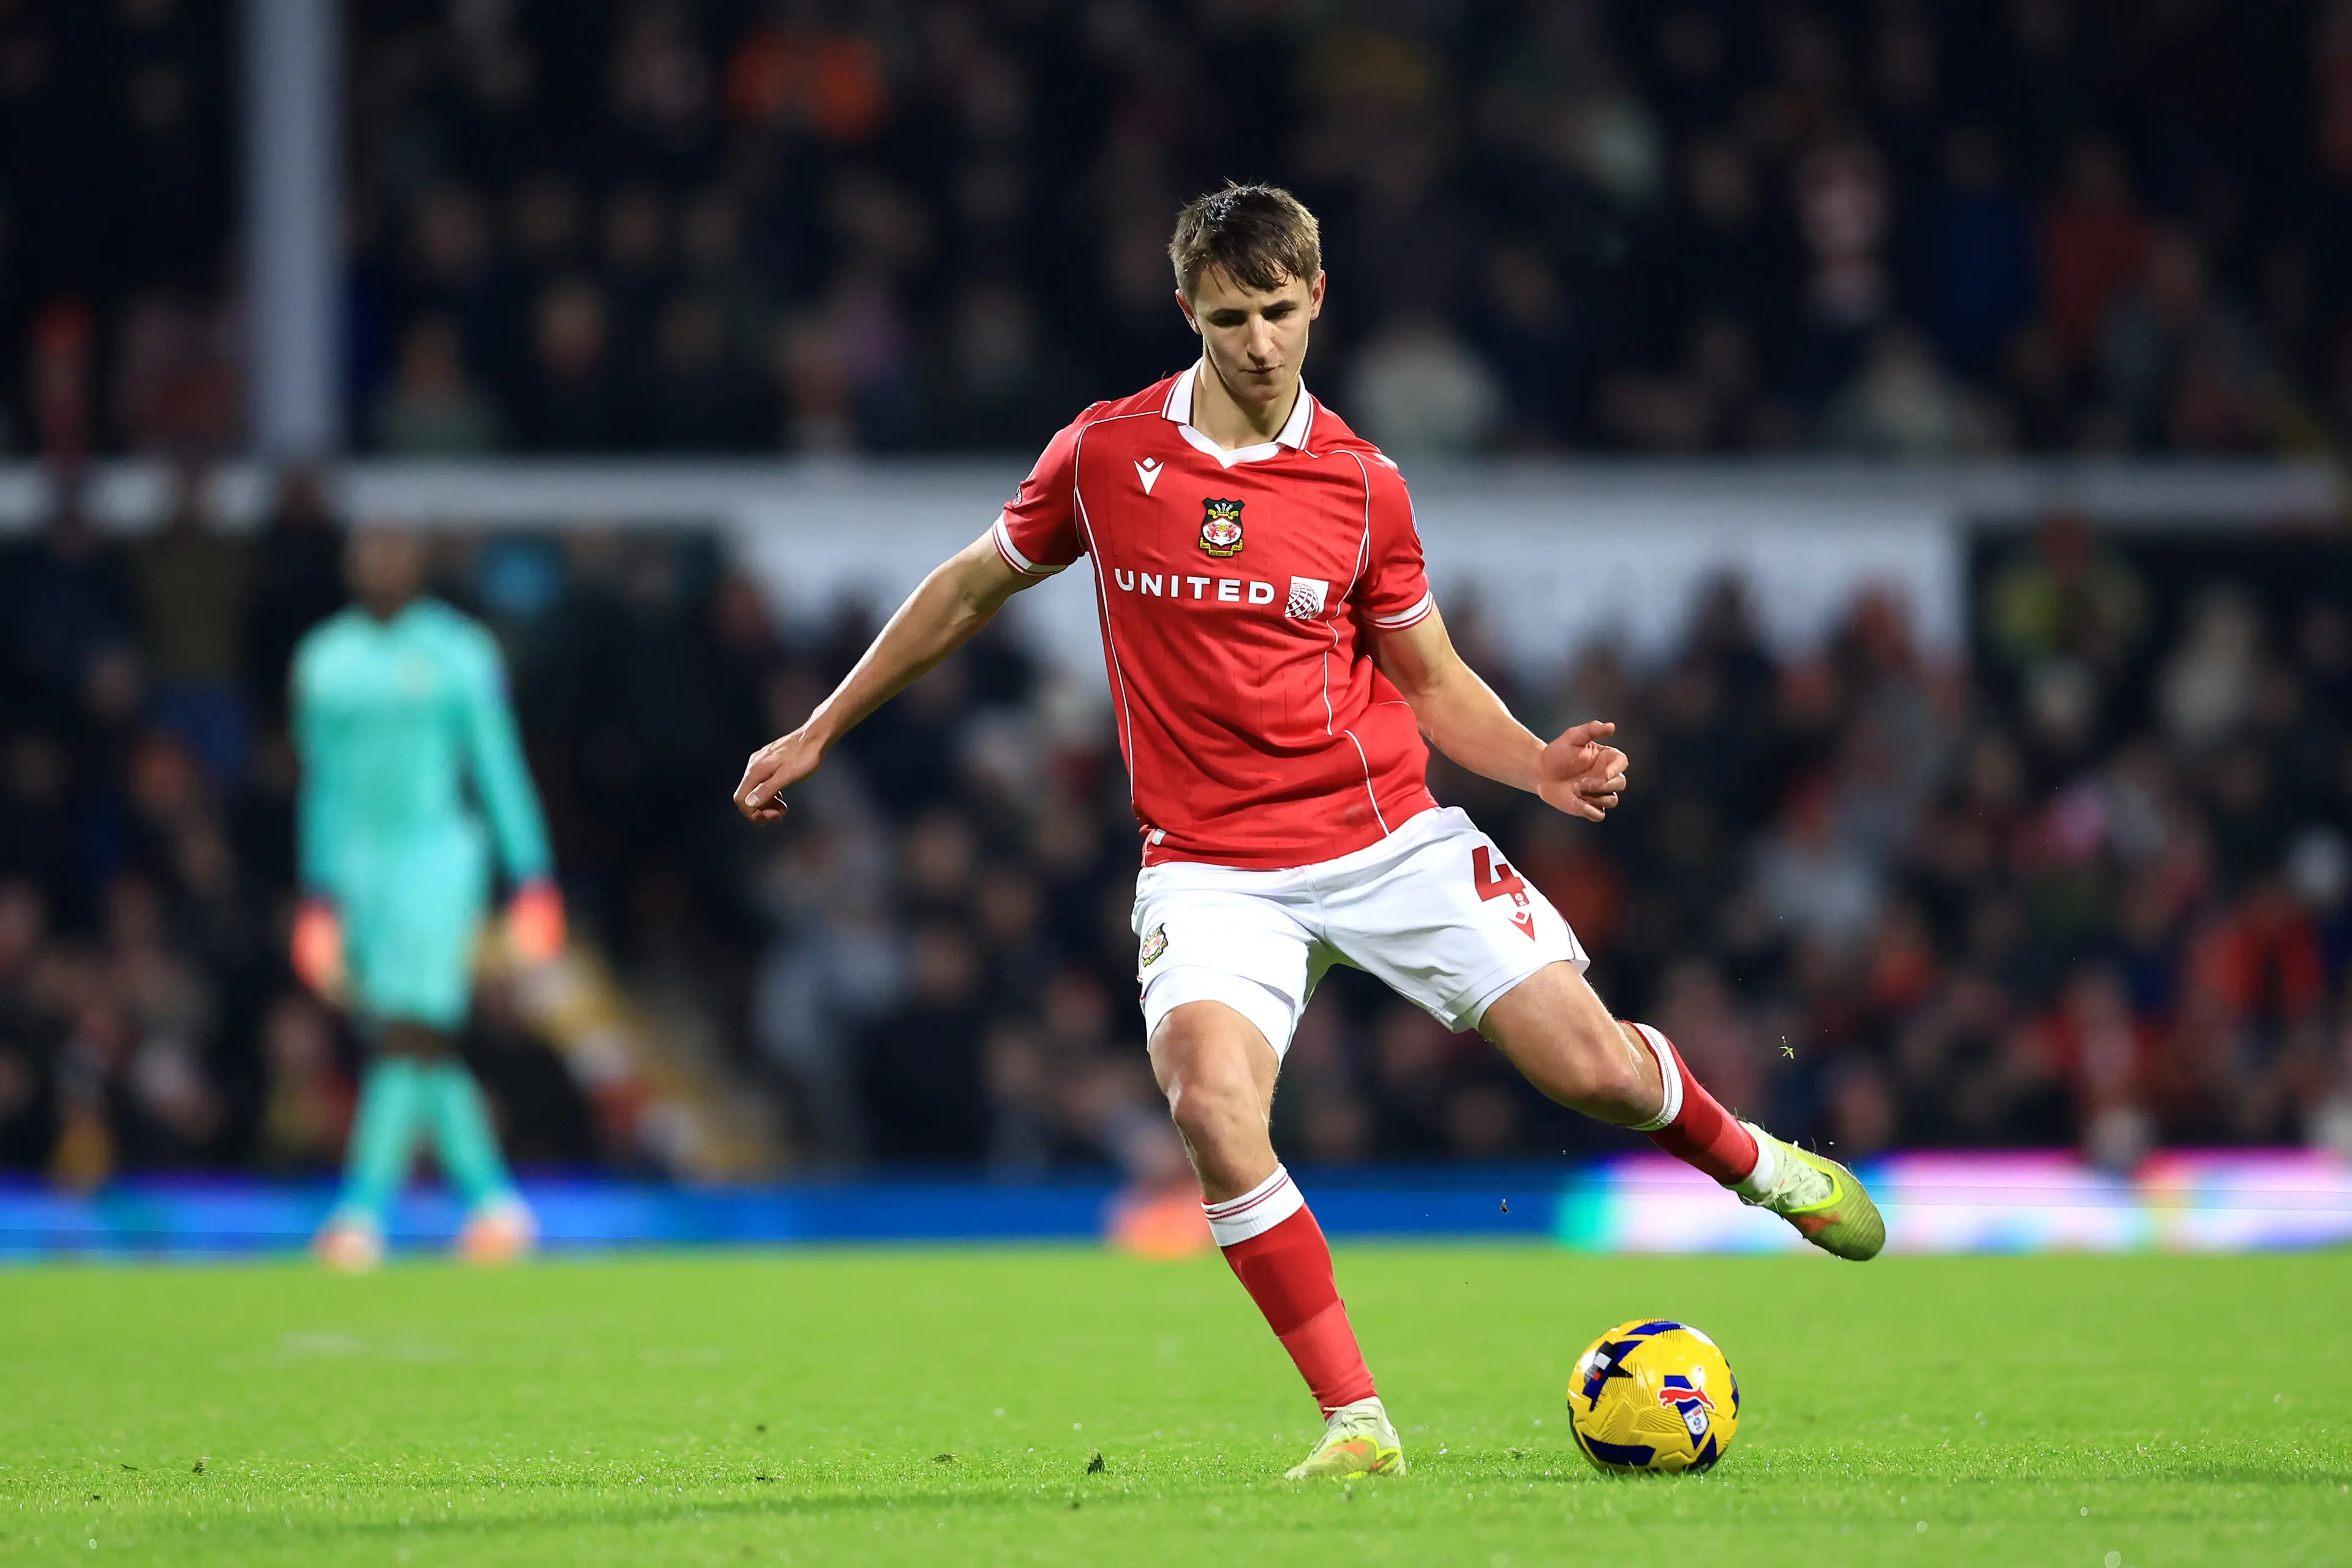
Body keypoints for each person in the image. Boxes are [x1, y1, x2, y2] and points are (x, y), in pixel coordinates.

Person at [733, 184, 1883, 1480]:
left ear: (1318, 297)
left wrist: (1533, 762)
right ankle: (1357, 1422)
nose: (1260, 341)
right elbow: (966, 588)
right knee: (1211, 1108)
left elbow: (1430, 677)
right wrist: (820, 729)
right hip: (1211, 868)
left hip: (1383, 838)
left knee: (1597, 1073)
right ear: (1187, 307)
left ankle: (1764, 1167)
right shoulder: (1105, 455)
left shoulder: (1361, 484)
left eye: (1280, 310)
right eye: (1230, 316)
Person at [296, 530, 565, 1271]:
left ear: (417, 567)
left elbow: (497, 764)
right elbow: (322, 784)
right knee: (416, 1039)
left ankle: (361, 1212)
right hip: (361, 870)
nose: (380, 564)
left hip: (436, 856)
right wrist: (318, 895)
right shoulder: (325, 660)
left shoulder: (458, 651)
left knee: (408, 1029)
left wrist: (532, 875)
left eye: (394, 552)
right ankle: (494, 1205)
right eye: (368, 552)